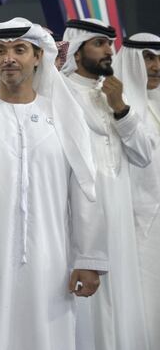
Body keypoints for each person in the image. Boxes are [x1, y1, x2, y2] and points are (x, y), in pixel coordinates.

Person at [0, 18, 107, 350]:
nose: (9, 58)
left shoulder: (65, 117)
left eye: (19, 50)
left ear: (39, 57)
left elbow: (84, 189)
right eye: (0, 51)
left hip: (52, 264)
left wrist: (89, 258)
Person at [61, 18, 156, 350]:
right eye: (100, 44)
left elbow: (144, 154)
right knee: (85, 310)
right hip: (78, 216)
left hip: (119, 214)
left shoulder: (114, 92)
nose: (108, 51)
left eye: (109, 44)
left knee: (121, 302)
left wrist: (120, 108)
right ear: (77, 48)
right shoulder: (58, 93)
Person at [112, 32, 160, 348]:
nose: (156, 66)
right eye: (147, 57)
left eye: (158, 59)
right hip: (131, 227)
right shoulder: (113, 104)